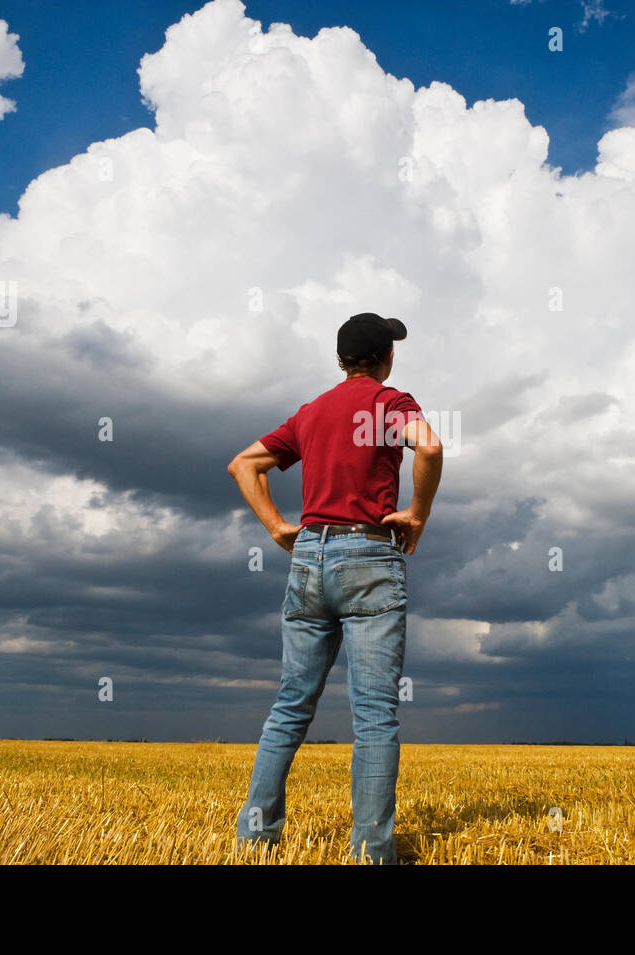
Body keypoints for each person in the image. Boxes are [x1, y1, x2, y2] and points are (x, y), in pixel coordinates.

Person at [226, 312, 443, 865]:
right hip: (368, 554)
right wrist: (416, 515)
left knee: (290, 705)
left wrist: (277, 526)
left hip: (307, 559)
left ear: (342, 359)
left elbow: (244, 464)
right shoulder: (390, 403)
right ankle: (372, 853)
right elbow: (432, 448)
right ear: (386, 358)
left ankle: (255, 841)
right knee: (373, 715)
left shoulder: (311, 412)